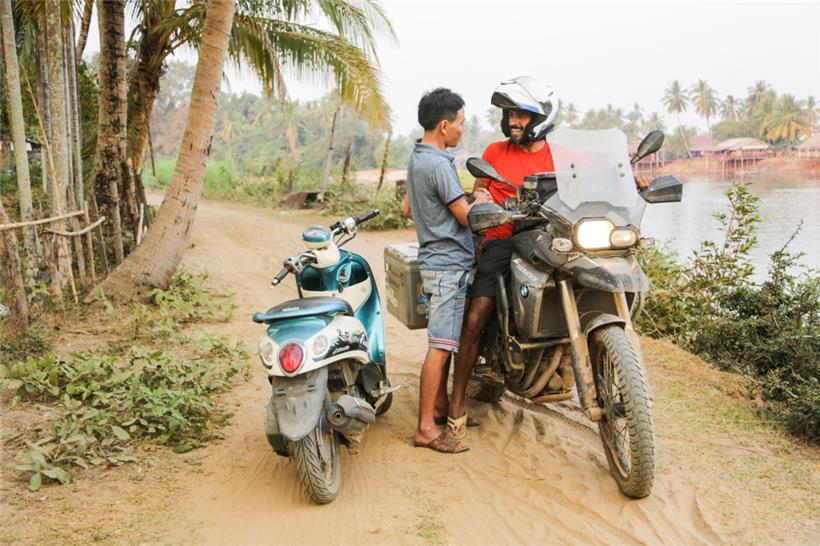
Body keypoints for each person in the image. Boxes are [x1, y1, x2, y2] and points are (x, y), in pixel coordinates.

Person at [446, 76, 560, 440]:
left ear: (541, 118)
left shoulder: (560, 154)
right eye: (510, 113)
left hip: (548, 241)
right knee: (477, 313)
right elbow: (481, 187)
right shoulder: (496, 151)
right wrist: (481, 197)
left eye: (522, 115)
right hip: (503, 238)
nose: (513, 120)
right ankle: (456, 401)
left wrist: (629, 177)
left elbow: (594, 175)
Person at [406, 87, 490, 454]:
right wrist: (481, 200)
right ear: (443, 125)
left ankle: (438, 409)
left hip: (432, 262)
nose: (462, 130)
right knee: (441, 347)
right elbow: (465, 217)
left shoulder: (417, 156)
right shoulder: (439, 164)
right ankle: (426, 428)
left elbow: (411, 209)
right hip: (449, 266)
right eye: (460, 124)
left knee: (442, 343)